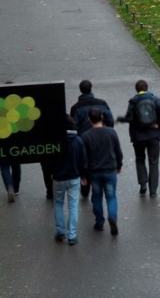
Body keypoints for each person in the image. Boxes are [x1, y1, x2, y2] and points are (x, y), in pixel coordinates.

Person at [117, 79, 160, 197]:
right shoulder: (155, 99)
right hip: (154, 135)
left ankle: (143, 184)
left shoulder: (133, 101)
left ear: (136, 89)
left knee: (140, 159)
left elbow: (129, 118)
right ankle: (153, 191)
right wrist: (159, 125)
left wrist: (120, 119)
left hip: (138, 136)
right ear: (147, 88)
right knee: (154, 162)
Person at [70, 79, 115, 198]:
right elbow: (110, 121)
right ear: (91, 88)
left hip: (83, 140)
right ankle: (100, 186)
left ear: (80, 90)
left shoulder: (75, 108)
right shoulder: (102, 103)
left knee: (85, 162)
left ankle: (85, 187)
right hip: (101, 137)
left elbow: (73, 126)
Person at [81, 108, 123, 236]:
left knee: (97, 197)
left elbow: (84, 158)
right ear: (102, 117)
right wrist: (119, 165)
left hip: (94, 172)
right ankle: (112, 217)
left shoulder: (86, 136)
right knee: (111, 197)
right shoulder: (111, 132)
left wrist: (83, 175)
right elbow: (118, 151)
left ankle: (99, 222)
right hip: (110, 170)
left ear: (89, 119)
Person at [52, 115, 86, 245]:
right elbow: (82, 160)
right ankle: (72, 235)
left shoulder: (55, 141)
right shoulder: (78, 141)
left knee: (58, 204)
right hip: (74, 177)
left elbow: (49, 161)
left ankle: (60, 231)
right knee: (73, 206)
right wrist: (83, 175)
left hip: (58, 177)